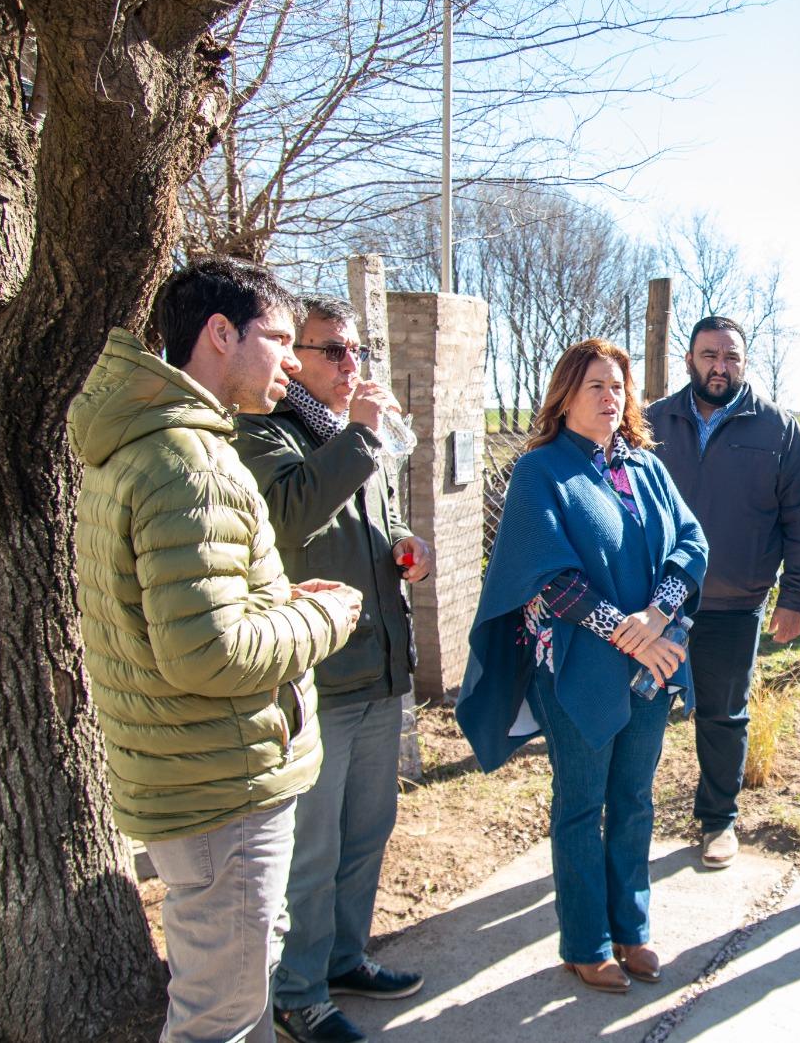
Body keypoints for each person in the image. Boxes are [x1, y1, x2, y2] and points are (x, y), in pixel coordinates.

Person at [69, 257, 361, 1043]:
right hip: (220, 790)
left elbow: (178, 615)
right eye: (277, 338)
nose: (294, 361)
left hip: (191, 772)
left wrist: (276, 604)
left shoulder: (153, 445)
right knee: (220, 1019)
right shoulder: (188, 465)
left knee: (232, 1002)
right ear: (220, 333)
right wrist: (325, 620)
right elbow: (211, 654)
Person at [455, 338, 708, 995]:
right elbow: (545, 576)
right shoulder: (542, 471)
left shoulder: (646, 467)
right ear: (565, 394)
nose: (608, 397)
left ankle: (632, 928)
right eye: (595, 384)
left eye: (618, 387)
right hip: (576, 669)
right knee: (581, 803)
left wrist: (658, 615)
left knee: (634, 801)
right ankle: (586, 941)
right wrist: (630, 634)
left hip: (652, 665)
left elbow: (690, 542)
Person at [234, 295, 435, 1043]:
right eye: (333, 352)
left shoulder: (359, 439)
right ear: (297, 359)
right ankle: (297, 992)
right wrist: (361, 437)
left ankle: (346, 957)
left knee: (367, 831)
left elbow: (371, 527)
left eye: (357, 352)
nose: (352, 365)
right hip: (318, 681)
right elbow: (291, 516)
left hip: (379, 670)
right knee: (312, 852)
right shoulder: (263, 434)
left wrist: (404, 549)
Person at [646, 315, 800, 869]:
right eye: (708, 356)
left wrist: (795, 598)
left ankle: (718, 821)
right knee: (640, 713)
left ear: (744, 363)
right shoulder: (650, 423)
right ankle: (631, 818)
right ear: (690, 361)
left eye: (731, 357)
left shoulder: (776, 429)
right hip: (654, 604)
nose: (719, 367)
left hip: (733, 601)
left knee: (722, 716)